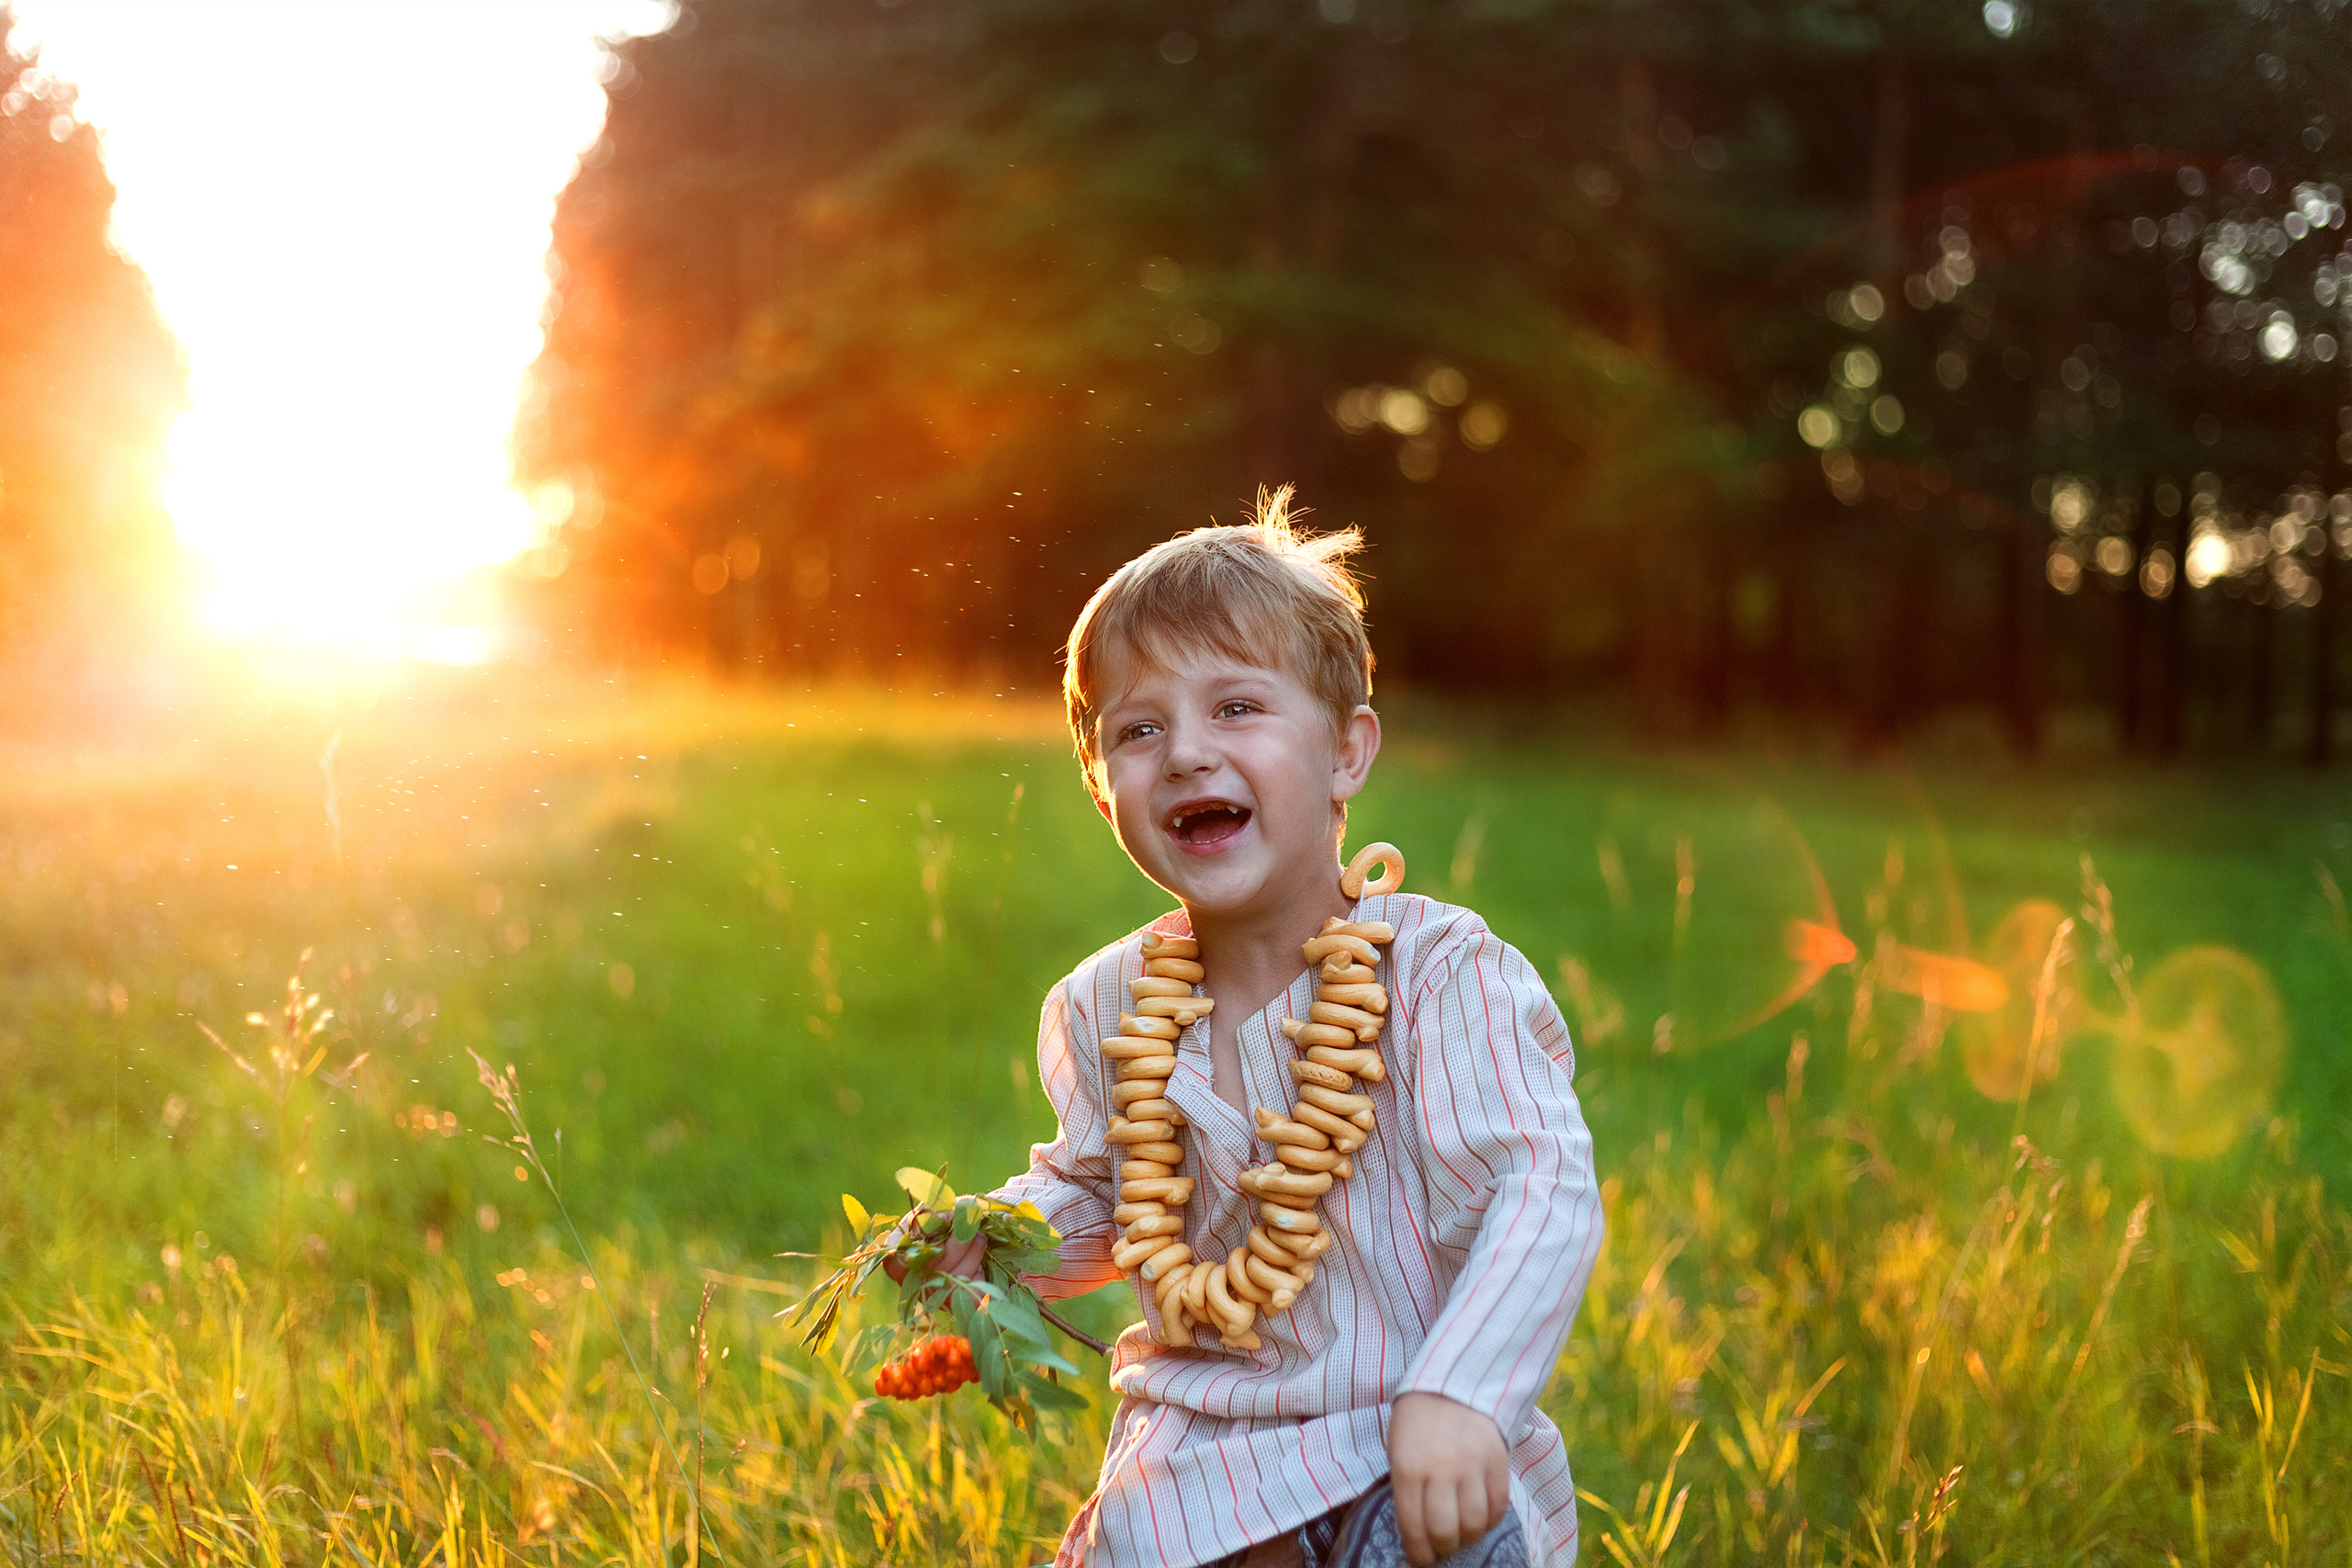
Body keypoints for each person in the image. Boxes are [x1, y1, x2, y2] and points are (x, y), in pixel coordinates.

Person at [919, 488, 1601, 1567]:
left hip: (1403, 1440)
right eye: (1138, 731)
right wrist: (991, 1243)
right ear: (1104, 791)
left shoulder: (1435, 973)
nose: (1185, 753)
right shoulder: (1107, 1007)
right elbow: (1103, 1191)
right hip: (1199, 1467)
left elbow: (1539, 1185)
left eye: (1235, 708)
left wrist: (1462, 1394)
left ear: (1345, 754)